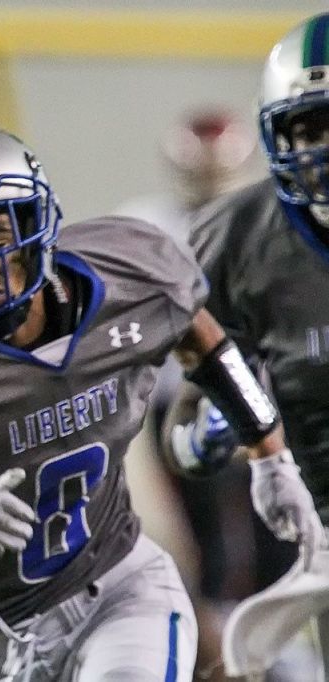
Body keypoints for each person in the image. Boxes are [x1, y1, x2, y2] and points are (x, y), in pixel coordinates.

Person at [0, 121, 322, 681]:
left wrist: (269, 455)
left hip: (121, 588)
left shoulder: (127, 272)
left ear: (34, 229)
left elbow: (201, 336)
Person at [164, 12, 329, 679]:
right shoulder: (233, 238)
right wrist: (208, 433)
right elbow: (176, 432)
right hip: (309, 528)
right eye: (310, 128)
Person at [115, 109, 285, 682]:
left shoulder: (270, 221)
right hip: (176, 403)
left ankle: (267, 653)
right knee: (202, 547)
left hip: (261, 397)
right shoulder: (147, 224)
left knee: (272, 540)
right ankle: (229, 655)